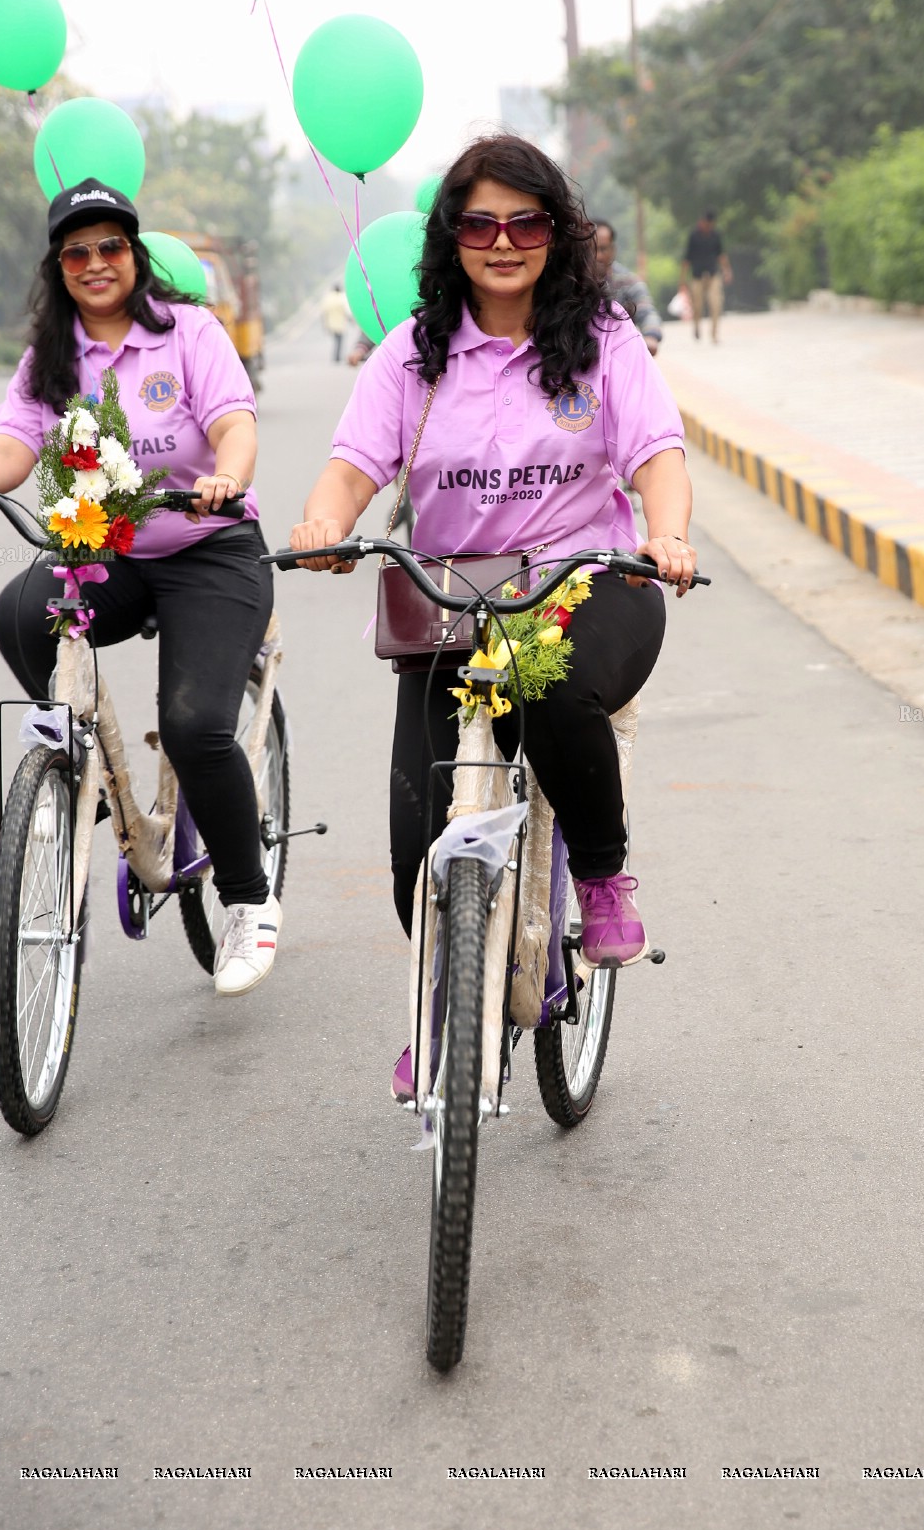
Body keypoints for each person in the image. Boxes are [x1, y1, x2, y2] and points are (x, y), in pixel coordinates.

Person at [290, 133, 695, 1029]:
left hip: (589, 585)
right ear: (450, 237)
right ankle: (447, 1021)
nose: (503, 241)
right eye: (479, 223)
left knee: (546, 691)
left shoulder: (602, 338)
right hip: (451, 606)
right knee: (415, 854)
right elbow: (354, 465)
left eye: (525, 221)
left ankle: (599, 874)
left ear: (556, 231)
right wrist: (326, 521)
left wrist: (666, 535)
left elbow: (656, 454)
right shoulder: (409, 353)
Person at [0, 178, 281, 995]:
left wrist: (228, 478)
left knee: (196, 724)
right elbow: (13, 443)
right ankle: (84, 768)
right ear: (58, 266)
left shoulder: (190, 334)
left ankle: (248, 901)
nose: (96, 263)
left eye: (111, 246)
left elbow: (233, 422)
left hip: (211, 546)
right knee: (20, 612)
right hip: (112, 552)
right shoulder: (52, 356)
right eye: (77, 251)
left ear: (134, 255)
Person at [592, 220, 663, 355]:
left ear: (613, 250)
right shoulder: (571, 283)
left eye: (603, 249)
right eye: (591, 249)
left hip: (620, 355)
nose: (597, 255)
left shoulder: (628, 282)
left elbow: (647, 312)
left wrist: (650, 336)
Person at [679, 210, 733, 343]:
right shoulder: (693, 236)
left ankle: (714, 334)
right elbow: (687, 259)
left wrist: (727, 270)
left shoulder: (716, 235)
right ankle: (697, 325)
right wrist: (682, 280)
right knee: (697, 306)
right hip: (697, 276)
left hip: (713, 275)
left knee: (716, 303)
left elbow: (721, 255)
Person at [322, 283, 350, 362]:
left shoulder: (328, 299)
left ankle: (335, 356)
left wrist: (325, 325)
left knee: (336, 340)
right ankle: (337, 357)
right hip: (340, 324)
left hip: (331, 324)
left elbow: (324, 312)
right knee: (340, 341)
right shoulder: (341, 298)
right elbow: (346, 311)